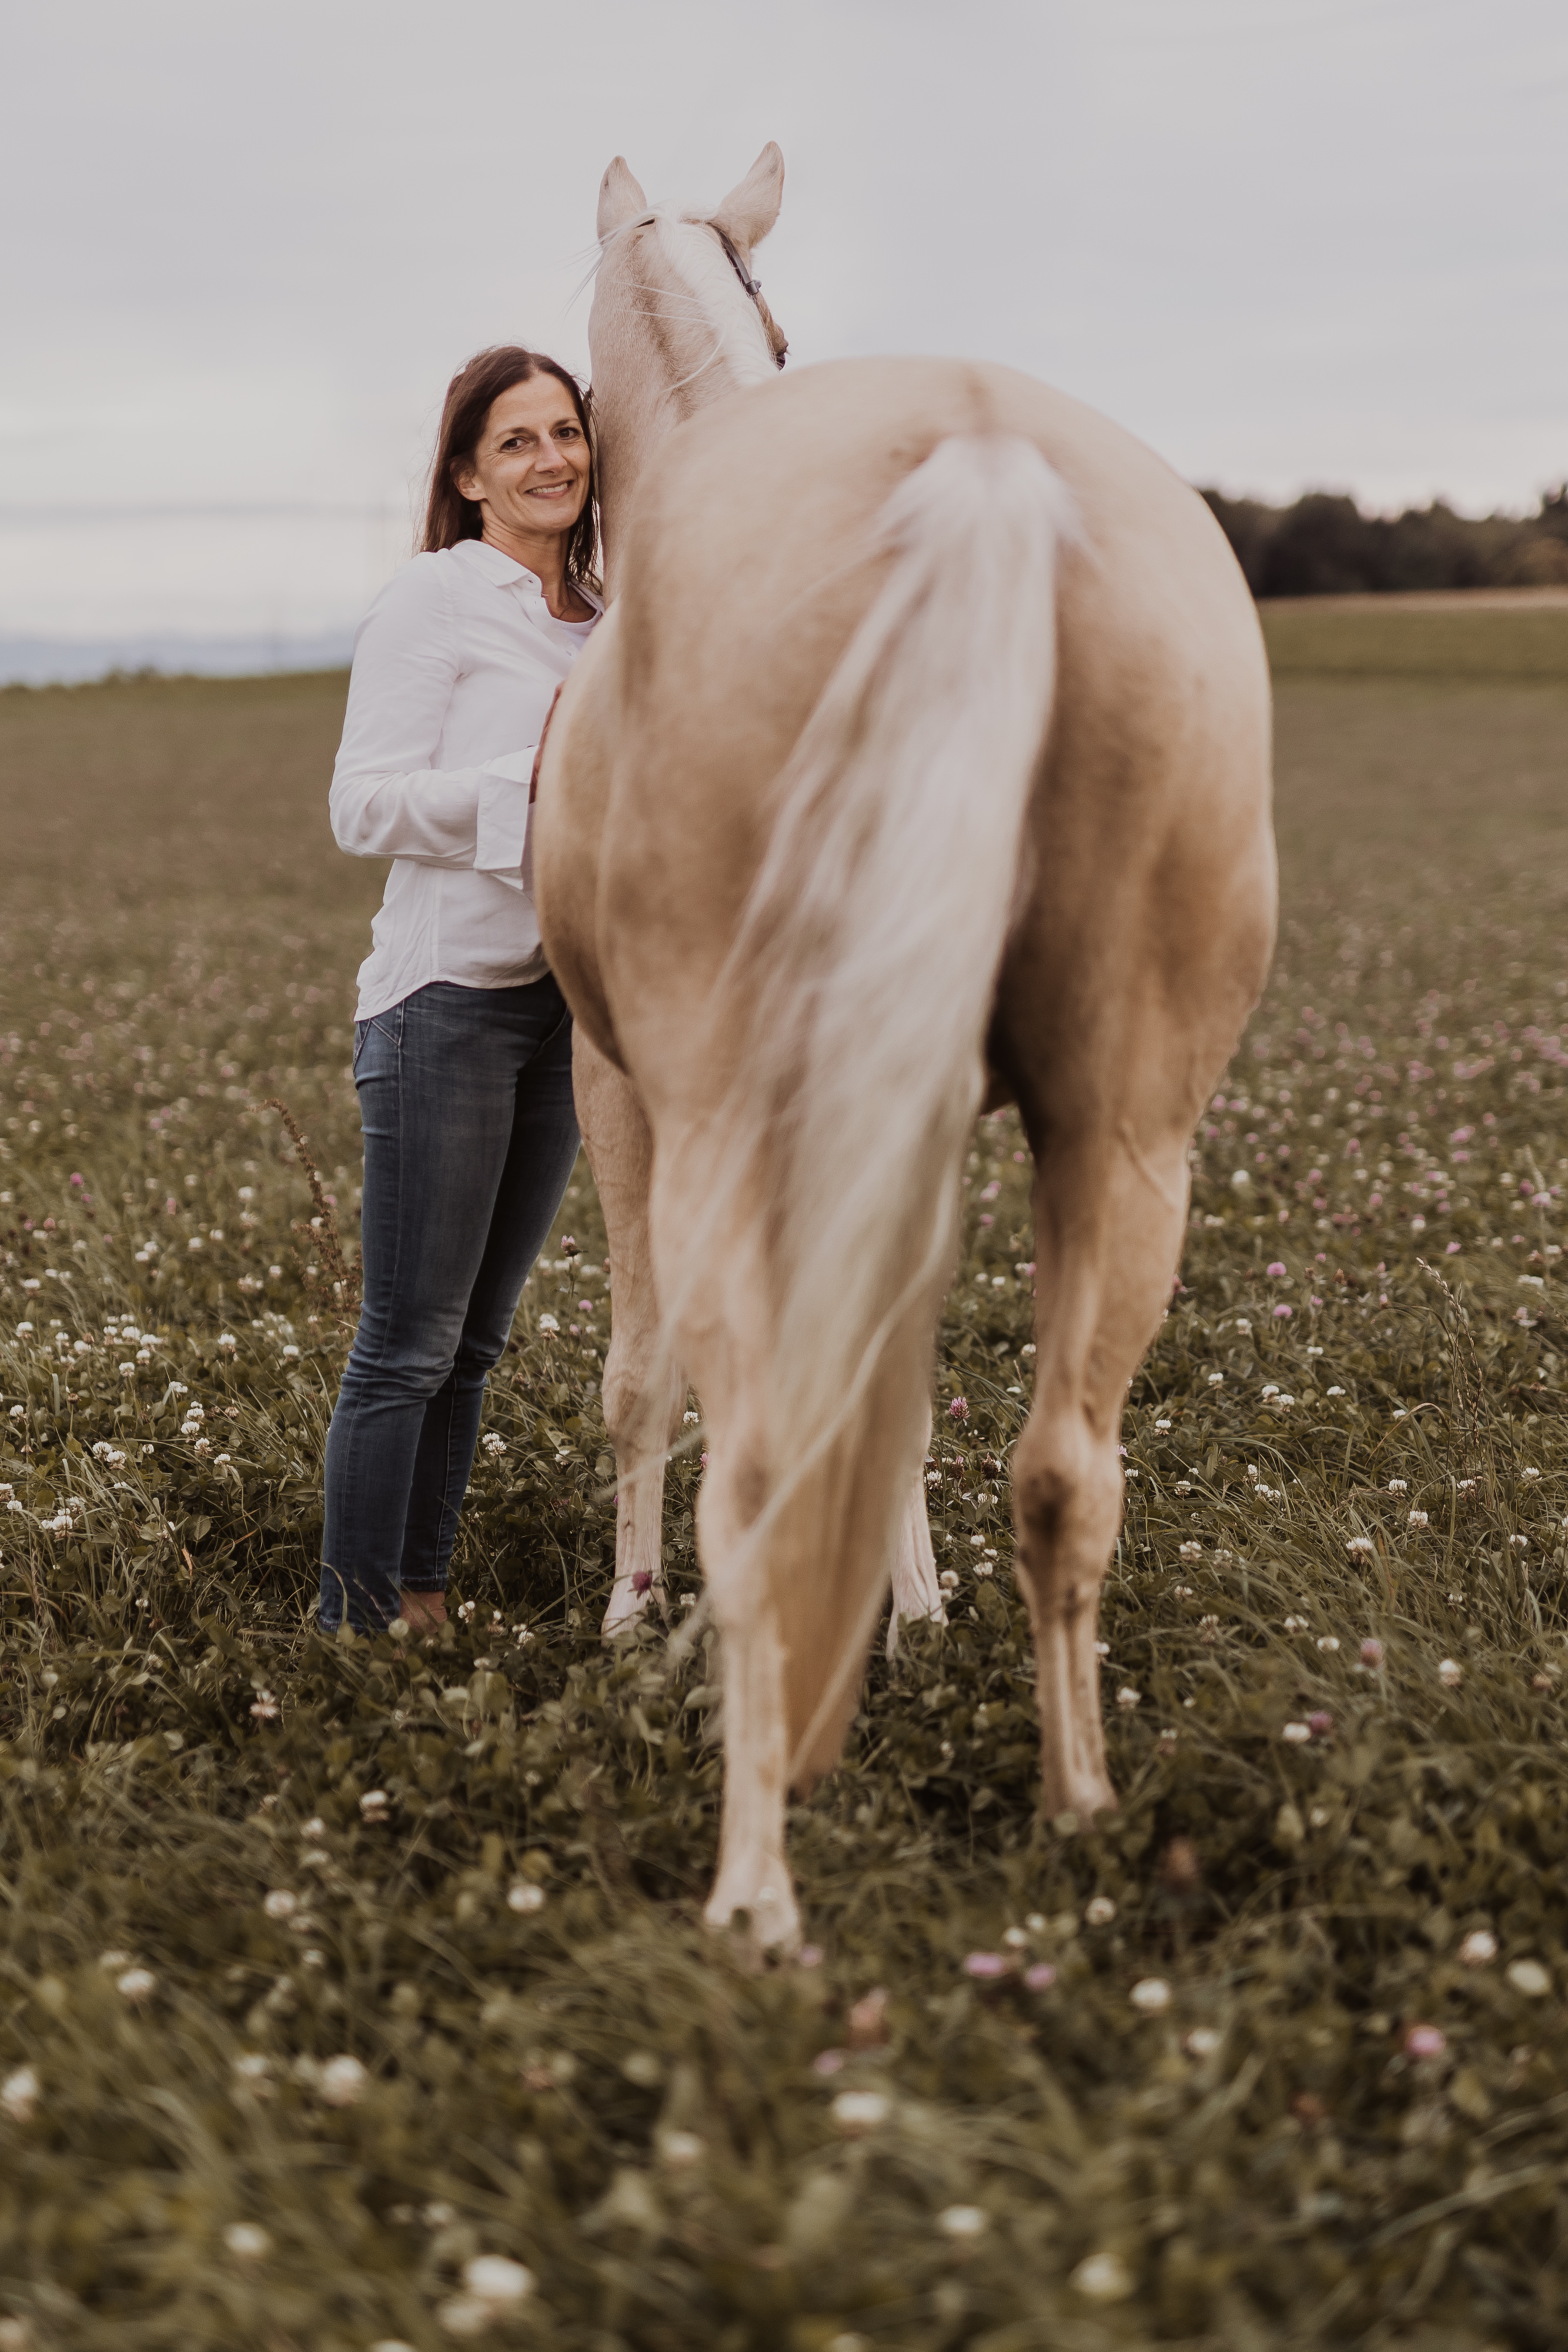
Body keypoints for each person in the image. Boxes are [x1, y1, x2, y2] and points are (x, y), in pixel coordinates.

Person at [319, 346, 600, 1633]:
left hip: (558, 1007)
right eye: (516, 442)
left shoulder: (604, 615)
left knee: (475, 1347)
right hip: (442, 1007)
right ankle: (352, 1620)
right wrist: (529, 793)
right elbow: (360, 803)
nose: (551, 460)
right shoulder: (436, 599)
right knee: (405, 1348)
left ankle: (419, 1597)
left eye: (565, 432)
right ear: (467, 475)